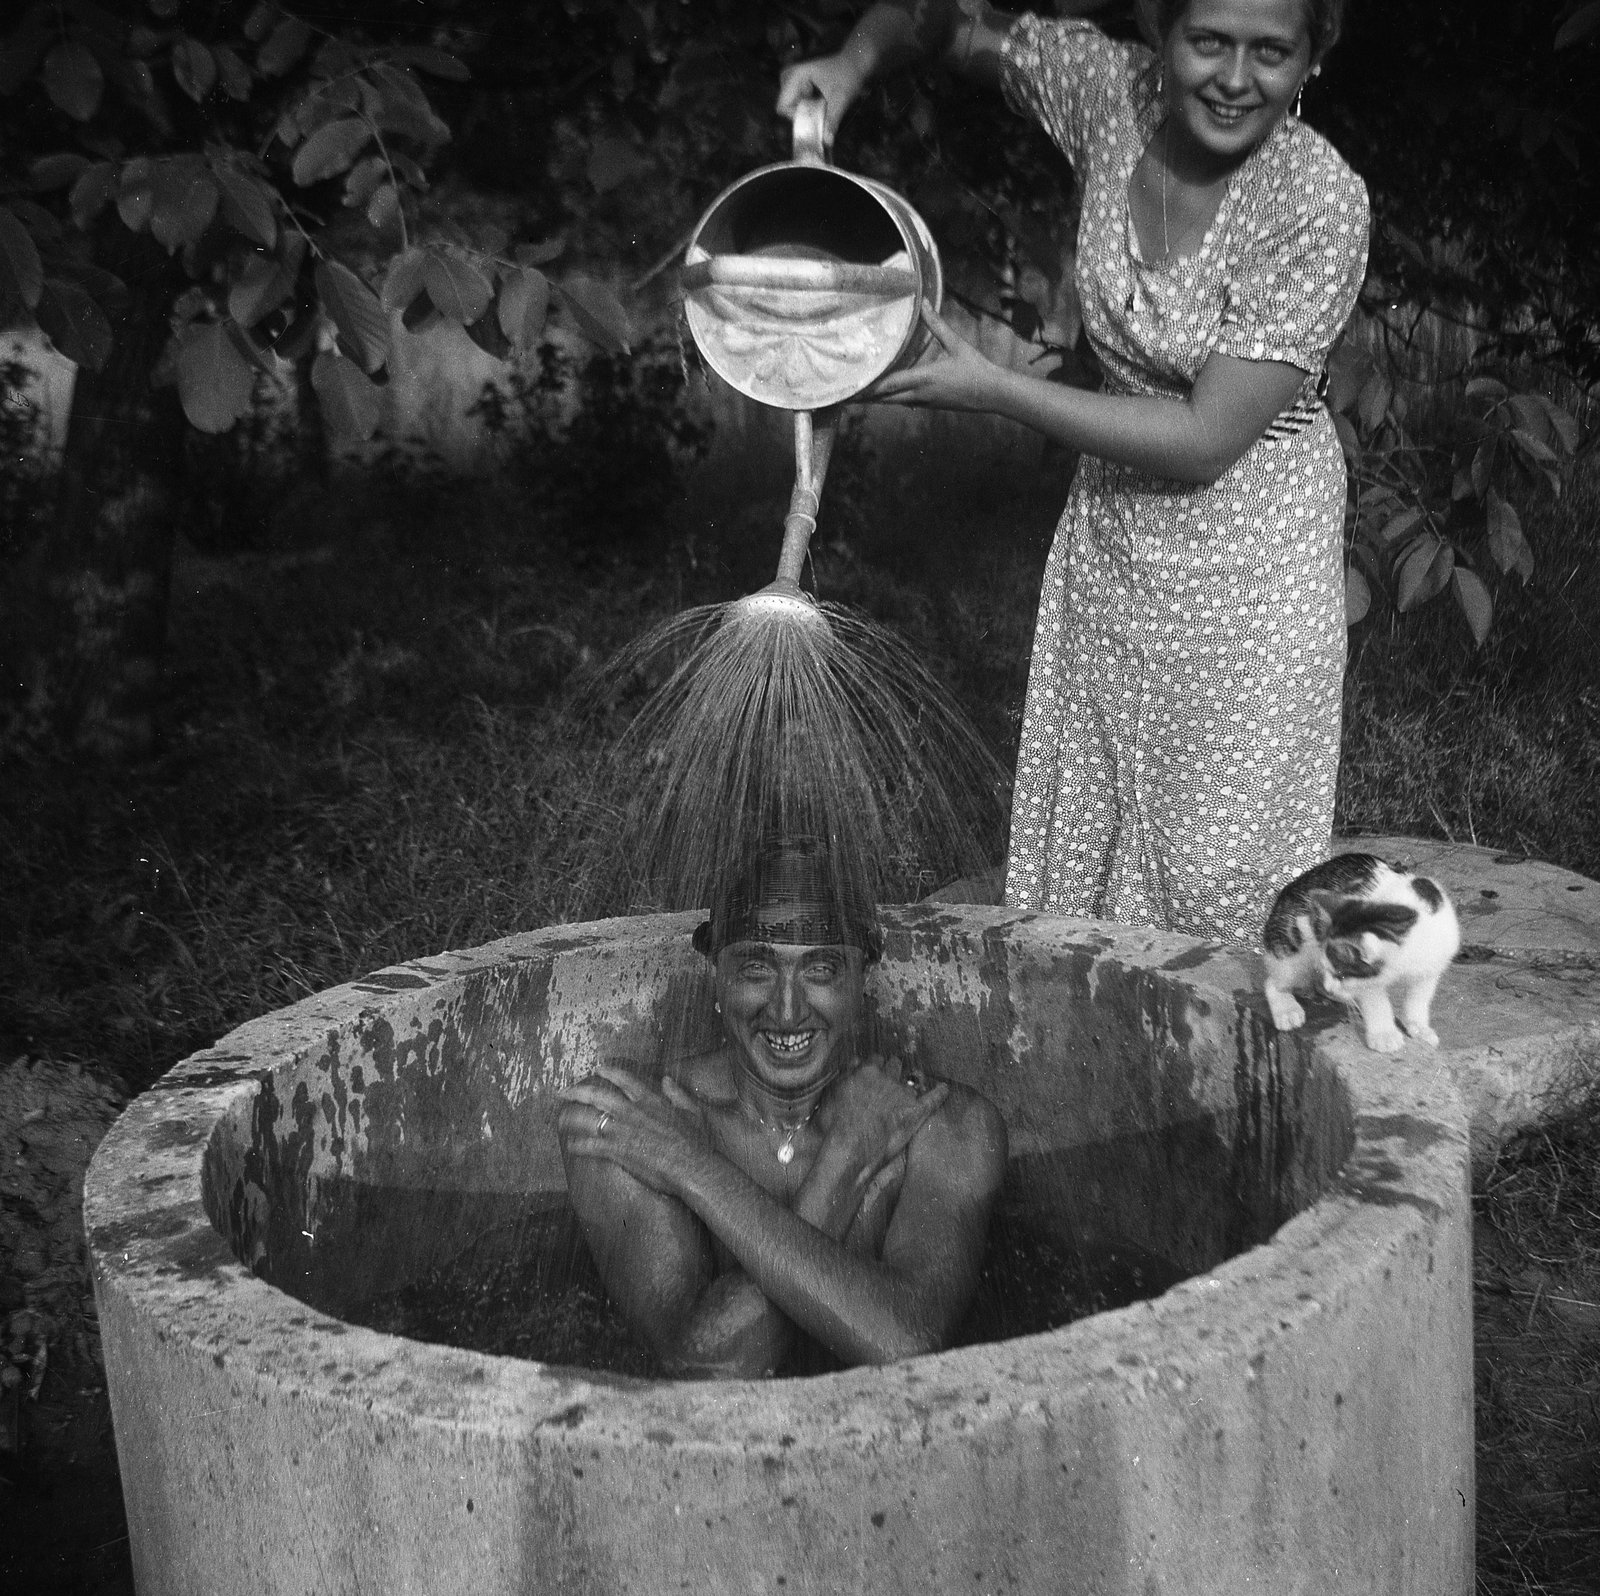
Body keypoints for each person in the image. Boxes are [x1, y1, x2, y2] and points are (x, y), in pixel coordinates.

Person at [779, 0, 1369, 946]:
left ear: (1312, 61)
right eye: (1208, 41)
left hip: (1250, 552)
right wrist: (852, 64)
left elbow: (1209, 434)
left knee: (1217, 858)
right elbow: (943, 22)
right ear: (1163, 35)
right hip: (1115, 538)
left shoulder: (1318, 202)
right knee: (1093, 823)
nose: (1233, 77)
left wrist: (994, 390)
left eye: (1271, 52)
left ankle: (1224, 1076)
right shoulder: (1112, 93)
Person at [557, 837, 1007, 1378]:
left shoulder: (947, 1124)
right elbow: (706, 1373)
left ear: (862, 979)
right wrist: (843, 1165)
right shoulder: (628, 1119)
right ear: (715, 976)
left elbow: (905, 1343)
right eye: (756, 969)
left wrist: (692, 1167)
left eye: (819, 971)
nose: (788, 1011)